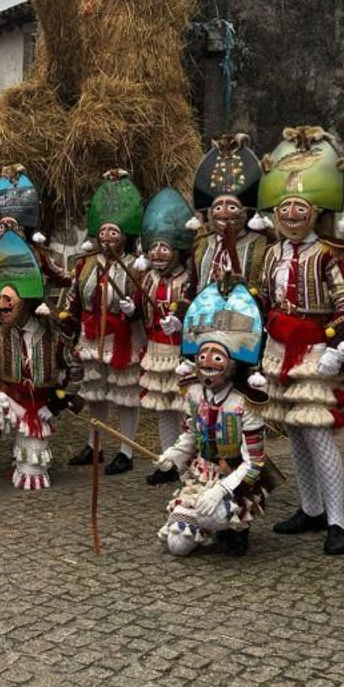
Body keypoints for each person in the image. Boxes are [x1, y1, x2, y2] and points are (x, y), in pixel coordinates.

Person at [254, 128, 344, 555]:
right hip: (279, 349)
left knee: (318, 433)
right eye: (285, 207)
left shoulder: (330, 252)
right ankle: (310, 508)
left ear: (315, 212)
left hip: (315, 349)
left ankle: (337, 521)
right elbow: (264, 297)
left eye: (299, 206)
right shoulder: (274, 253)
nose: (291, 214)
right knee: (294, 431)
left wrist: (337, 346)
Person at [0, 230, 83, 497]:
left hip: (39, 406)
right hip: (9, 396)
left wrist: (57, 403)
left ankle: (25, 455)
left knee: (31, 477)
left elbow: (76, 370)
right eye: (0, 301)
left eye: (8, 302)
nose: (1, 307)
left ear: (27, 301)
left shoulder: (53, 332)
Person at [154, 282, 274, 557]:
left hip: (234, 476)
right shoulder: (194, 393)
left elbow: (255, 461)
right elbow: (191, 434)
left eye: (216, 359)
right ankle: (205, 522)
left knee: (212, 516)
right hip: (201, 473)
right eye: (202, 358)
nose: (207, 366)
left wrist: (221, 489)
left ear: (232, 365)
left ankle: (236, 529)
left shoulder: (245, 403)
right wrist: (173, 455)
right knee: (177, 544)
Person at [59, 169, 144, 474]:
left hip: (123, 334)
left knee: (123, 392)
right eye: (104, 232)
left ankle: (127, 449)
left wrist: (134, 308)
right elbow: (74, 297)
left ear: (125, 236)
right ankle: (95, 444)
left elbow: (144, 303)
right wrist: (66, 318)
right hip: (92, 334)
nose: (108, 238)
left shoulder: (136, 266)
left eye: (114, 233)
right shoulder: (85, 264)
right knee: (95, 390)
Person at [136, 187, 196, 483]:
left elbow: (195, 311)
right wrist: (129, 305)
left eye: (165, 248)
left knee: (185, 410)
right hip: (156, 352)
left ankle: (189, 464)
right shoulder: (147, 277)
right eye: (153, 248)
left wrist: (182, 320)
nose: (157, 255)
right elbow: (136, 309)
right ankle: (168, 463)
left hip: (181, 354)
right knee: (163, 410)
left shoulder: (188, 279)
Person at [188, 133, 271, 296]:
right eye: (218, 208)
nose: (225, 214)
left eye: (232, 208)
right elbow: (193, 285)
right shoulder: (202, 245)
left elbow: (268, 291)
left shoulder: (263, 246)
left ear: (245, 212)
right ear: (210, 214)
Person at [0, 164, 70, 298]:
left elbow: (57, 274)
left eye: (12, 227)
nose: (7, 232)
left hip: (31, 306)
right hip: (3, 307)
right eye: (3, 227)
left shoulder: (36, 253)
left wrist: (76, 276)